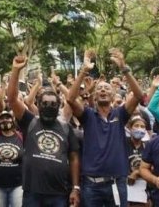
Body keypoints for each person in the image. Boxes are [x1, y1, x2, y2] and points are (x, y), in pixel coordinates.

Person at [66, 49, 144, 206]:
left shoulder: (120, 114)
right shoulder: (87, 115)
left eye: (107, 88)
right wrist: (84, 70)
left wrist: (124, 68)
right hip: (91, 185)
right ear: (94, 95)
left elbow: (138, 95)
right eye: (99, 88)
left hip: (117, 182)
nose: (103, 90)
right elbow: (70, 98)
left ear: (114, 93)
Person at [8, 56, 80, 207]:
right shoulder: (30, 121)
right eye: (45, 103)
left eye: (53, 104)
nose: (49, 106)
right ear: (38, 105)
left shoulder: (66, 128)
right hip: (32, 192)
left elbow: (74, 158)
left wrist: (75, 188)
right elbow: (13, 100)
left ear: (58, 106)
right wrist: (16, 70)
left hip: (59, 193)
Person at [0, 110, 23, 207]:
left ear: (13, 120)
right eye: (2, 119)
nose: (5, 121)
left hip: (17, 185)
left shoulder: (21, 136)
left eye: (7, 118)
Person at [125, 116, 149, 206]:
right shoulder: (122, 143)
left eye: (143, 127)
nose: (140, 129)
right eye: (136, 125)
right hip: (124, 186)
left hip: (142, 189)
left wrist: (137, 173)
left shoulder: (148, 146)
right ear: (130, 128)